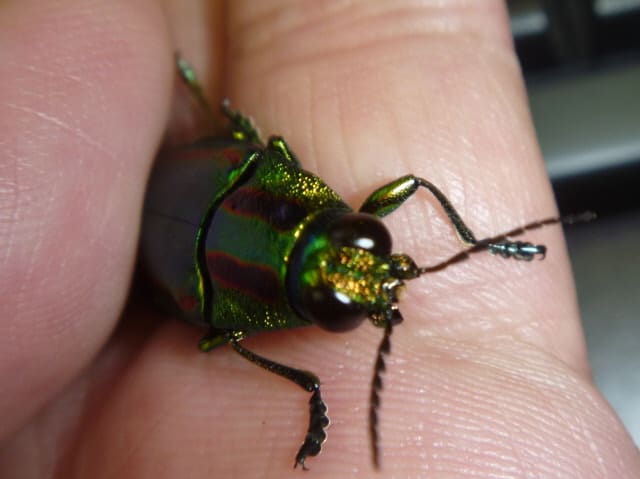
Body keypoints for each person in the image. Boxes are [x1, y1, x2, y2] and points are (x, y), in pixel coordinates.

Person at [1, 1, 638, 477]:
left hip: (209, 195)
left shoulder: (267, 188)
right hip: (179, 224)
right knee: (222, 331)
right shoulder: (242, 286)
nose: (381, 282)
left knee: (229, 299)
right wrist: (312, 386)